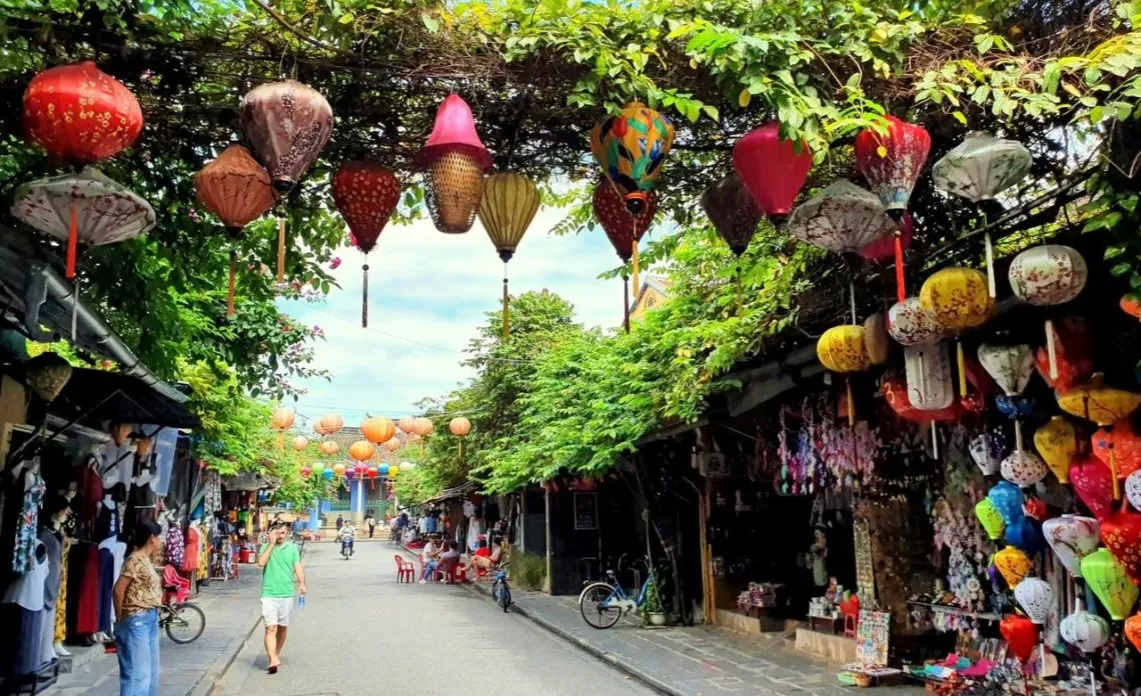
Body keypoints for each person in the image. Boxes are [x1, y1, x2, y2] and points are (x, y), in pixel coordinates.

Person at [113, 520, 164, 696]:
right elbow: (118, 590)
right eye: (158, 537)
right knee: (137, 675)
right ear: (151, 538)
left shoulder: (145, 560)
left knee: (151, 673)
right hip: (136, 620)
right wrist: (120, 618)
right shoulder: (134, 559)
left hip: (150, 618)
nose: (161, 541)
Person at [257, 521, 307, 674]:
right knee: (270, 627)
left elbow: (297, 566)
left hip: (286, 593)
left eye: (282, 533)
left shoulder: (292, 548)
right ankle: (272, 658)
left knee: (282, 626)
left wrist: (302, 583)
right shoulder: (265, 547)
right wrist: (270, 545)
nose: (280, 536)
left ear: (287, 534)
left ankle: (275, 653)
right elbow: (261, 563)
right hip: (269, 593)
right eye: (277, 533)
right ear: (271, 533)